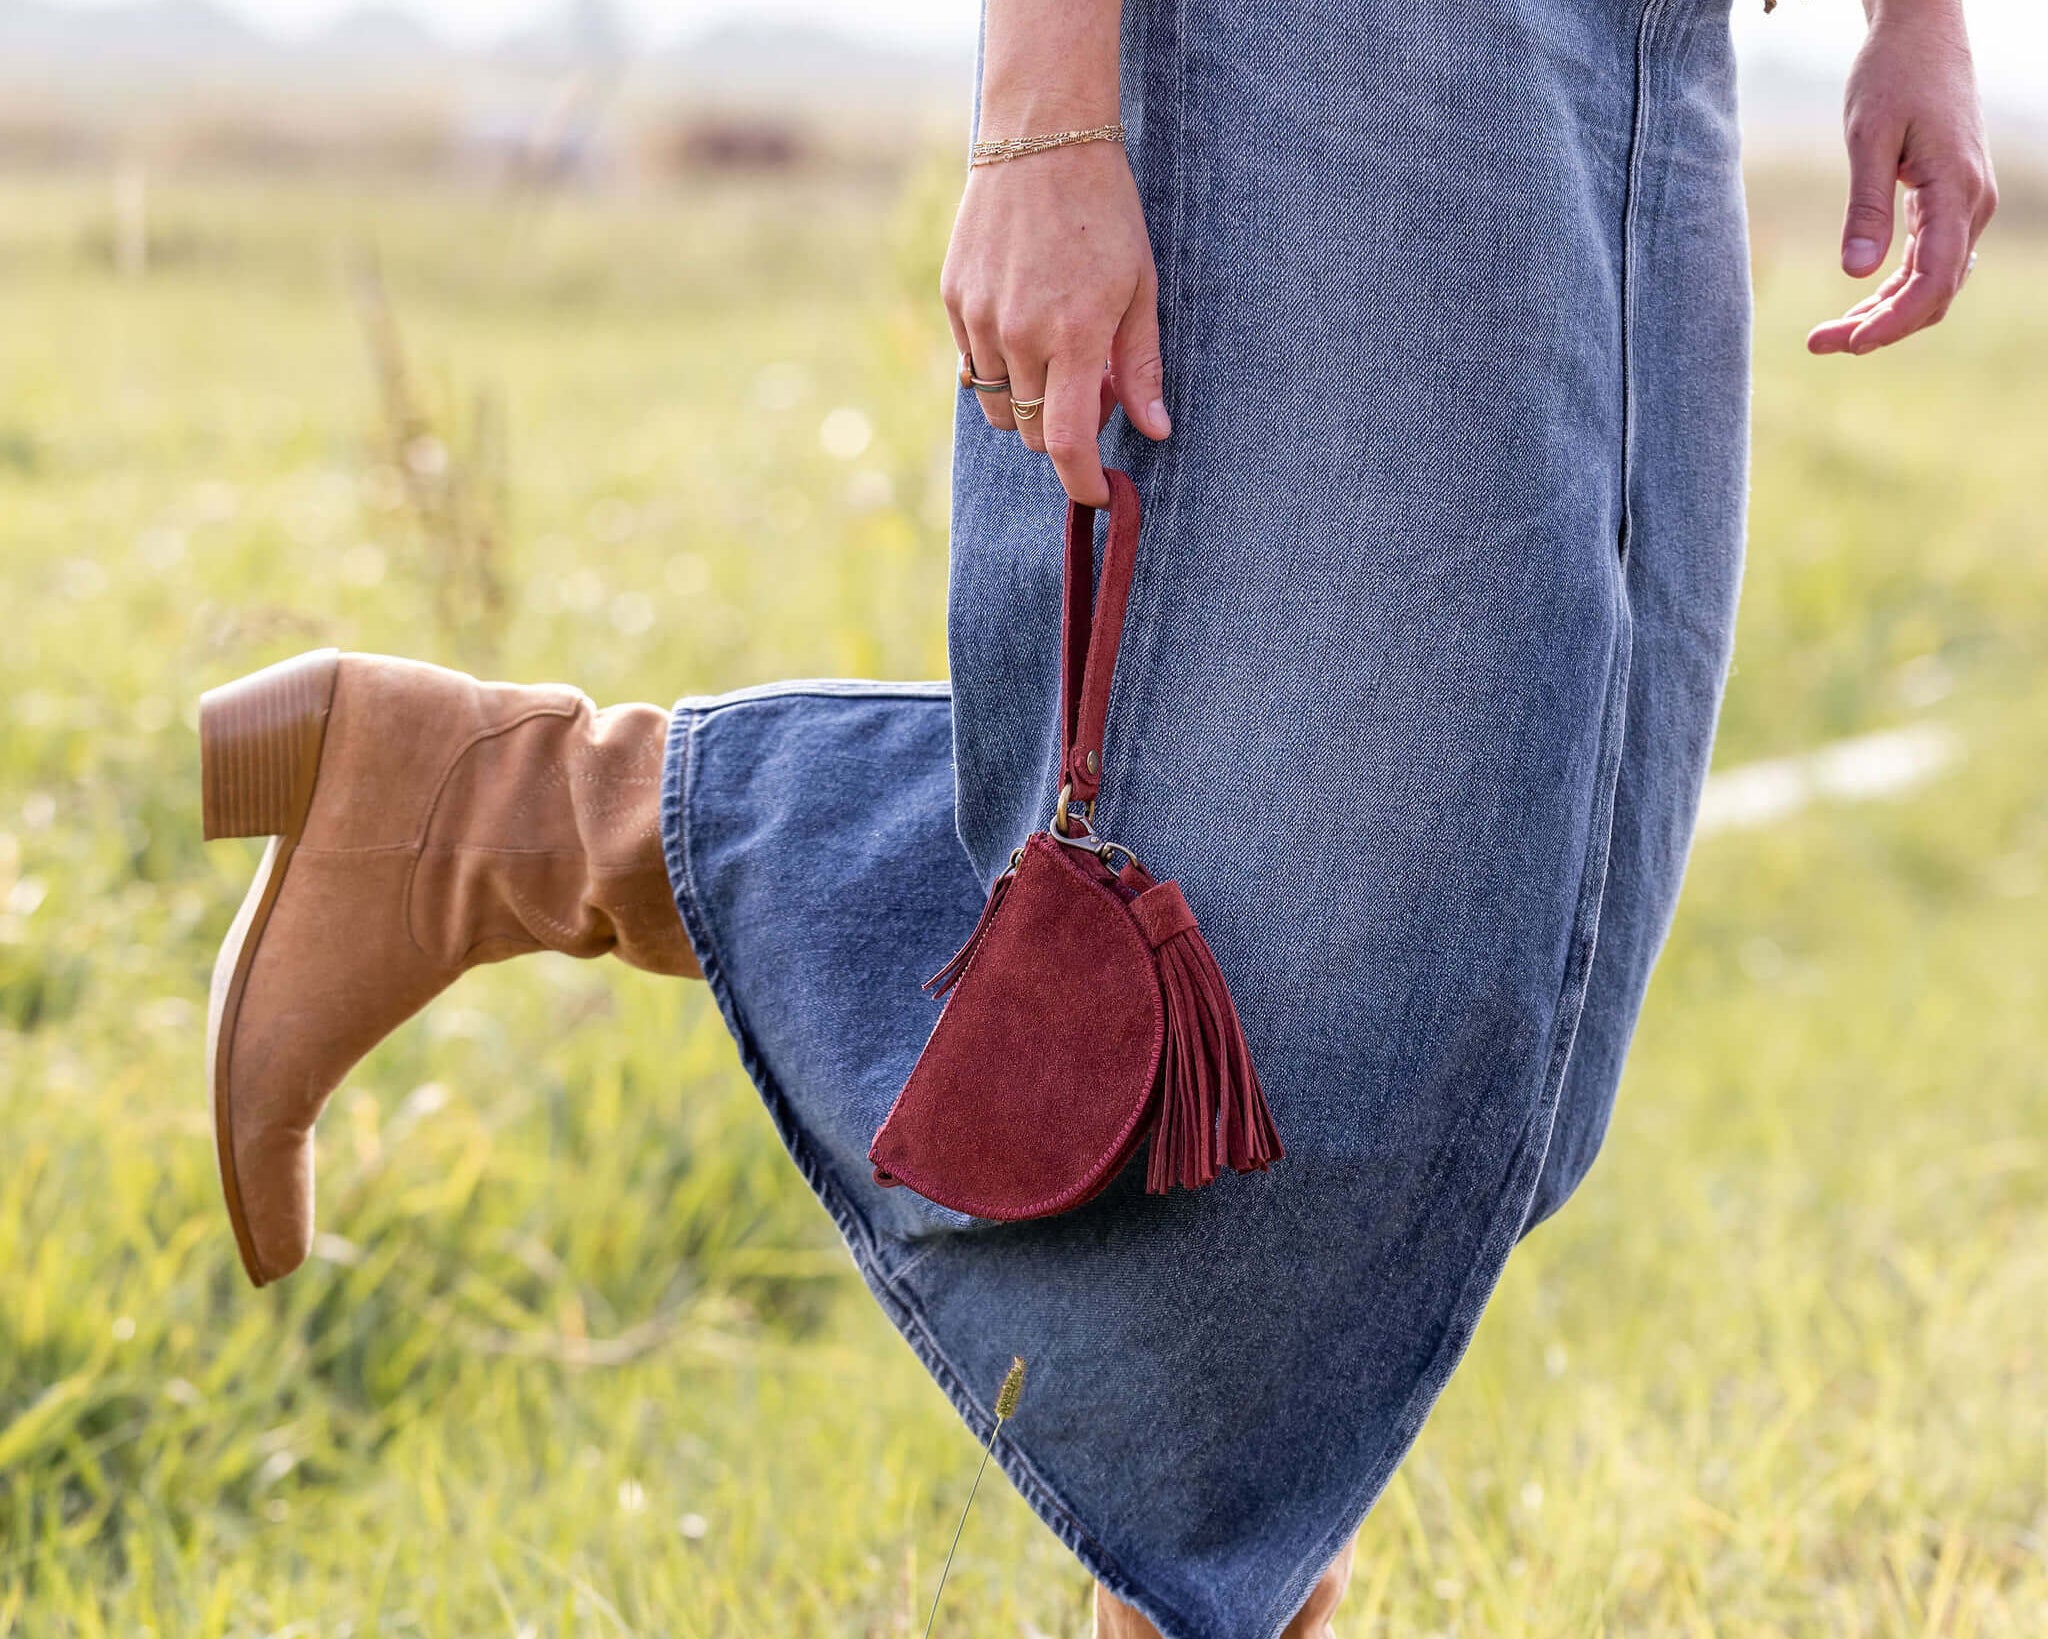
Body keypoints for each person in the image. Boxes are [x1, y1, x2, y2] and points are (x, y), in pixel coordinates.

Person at [197, 0, 1995, 1633]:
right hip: (1327, 55)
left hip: (1646, 57)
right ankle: (511, 815)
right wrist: (1046, 115)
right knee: (1311, 970)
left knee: (1512, 976)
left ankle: (510, 811)